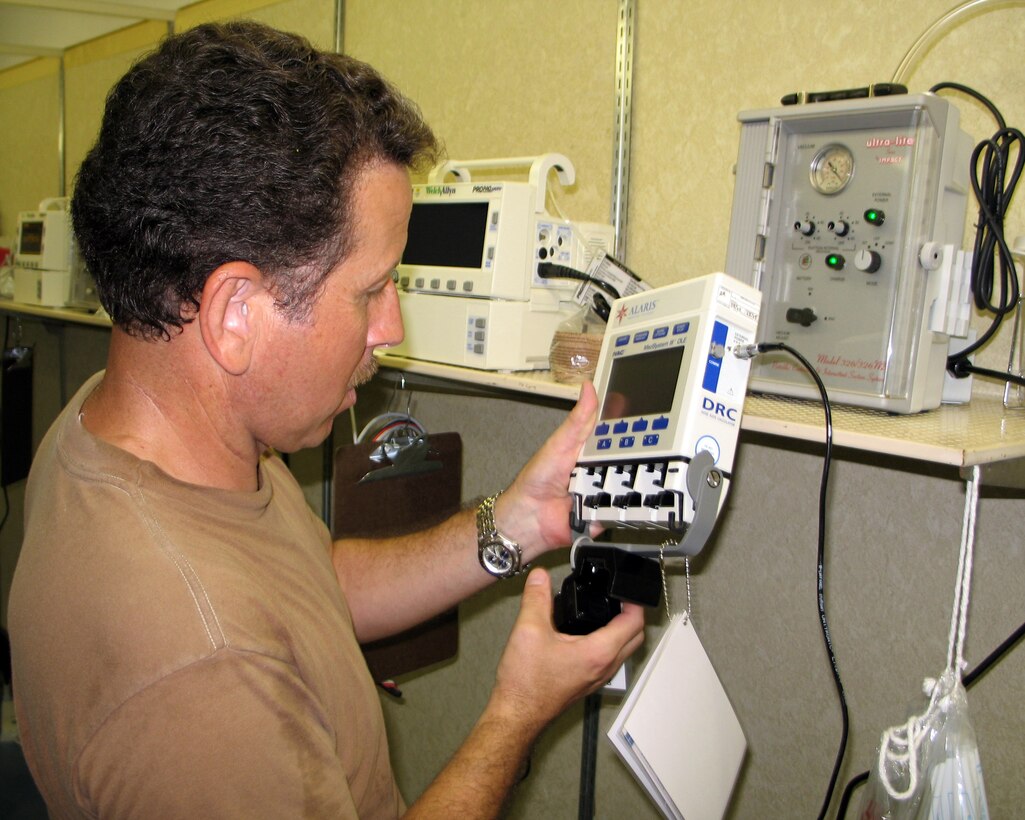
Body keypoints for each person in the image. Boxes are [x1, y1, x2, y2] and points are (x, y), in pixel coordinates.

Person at [7, 20, 645, 819]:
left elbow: (305, 586)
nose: (392, 328)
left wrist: (515, 524)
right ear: (235, 313)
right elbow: (243, 635)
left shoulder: (134, 425)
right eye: (370, 290)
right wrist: (516, 714)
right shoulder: (201, 673)